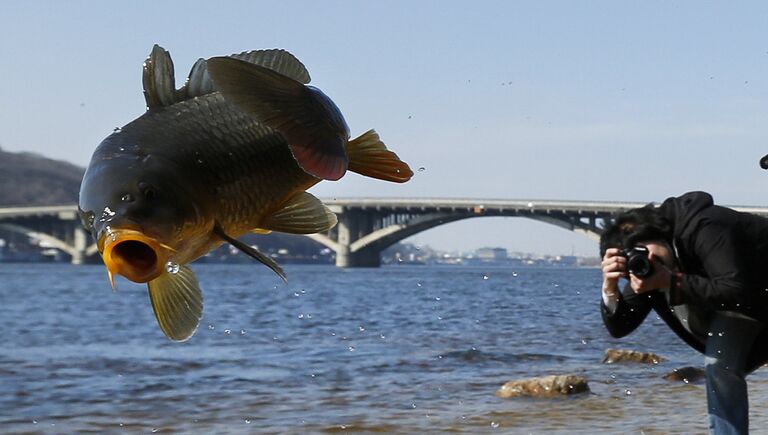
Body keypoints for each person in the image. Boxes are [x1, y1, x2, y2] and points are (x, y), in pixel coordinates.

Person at [599, 191, 768, 434]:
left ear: (657, 234)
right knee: (720, 364)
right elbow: (620, 327)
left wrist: (670, 281)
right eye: (634, 260)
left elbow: (735, 289)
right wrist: (610, 288)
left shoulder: (705, 226)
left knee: (719, 364)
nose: (648, 261)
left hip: (755, 290)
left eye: (646, 251)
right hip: (747, 305)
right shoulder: (646, 270)